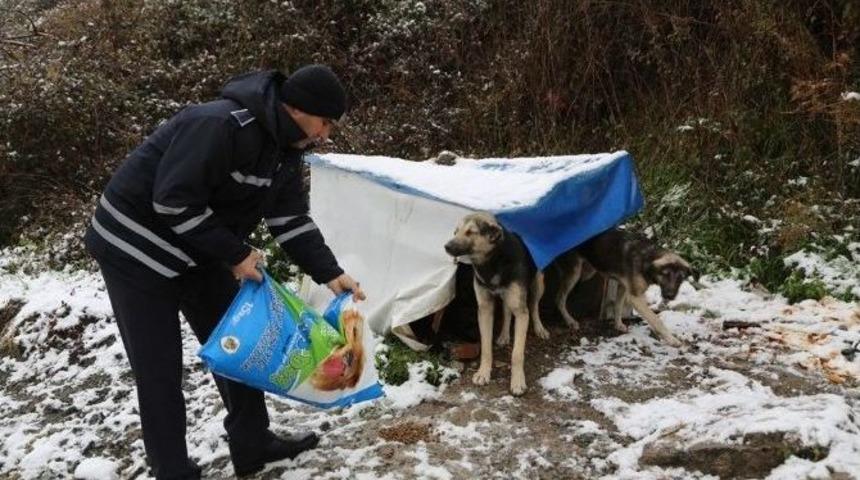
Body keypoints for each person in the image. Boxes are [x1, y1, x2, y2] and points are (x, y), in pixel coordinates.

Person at [84, 64, 366, 479]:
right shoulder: (218, 125)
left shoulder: (286, 151)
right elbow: (173, 202)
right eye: (324, 122)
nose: (326, 134)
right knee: (159, 369)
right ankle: (172, 471)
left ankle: (253, 444)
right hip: (134, 249)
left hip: (199, 248)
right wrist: (236, 254)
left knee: (243, 344)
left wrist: (330, 272)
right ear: (296, 109)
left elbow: (289, 220)